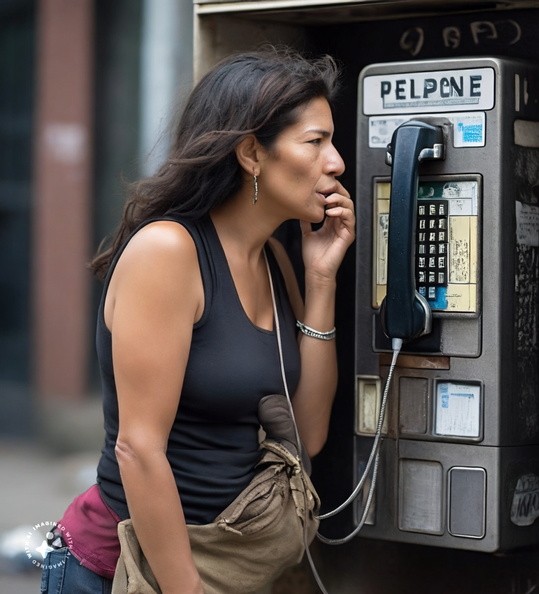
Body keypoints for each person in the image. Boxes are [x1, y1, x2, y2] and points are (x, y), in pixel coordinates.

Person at [40, 46, 355, 594]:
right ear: (252, 154)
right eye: (315, 142)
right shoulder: (169, 253)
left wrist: (321, 279)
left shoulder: (276, 263)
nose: (337, 162)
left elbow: (307, 436)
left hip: (220, 561)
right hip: (123, 570)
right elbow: (139, 449)